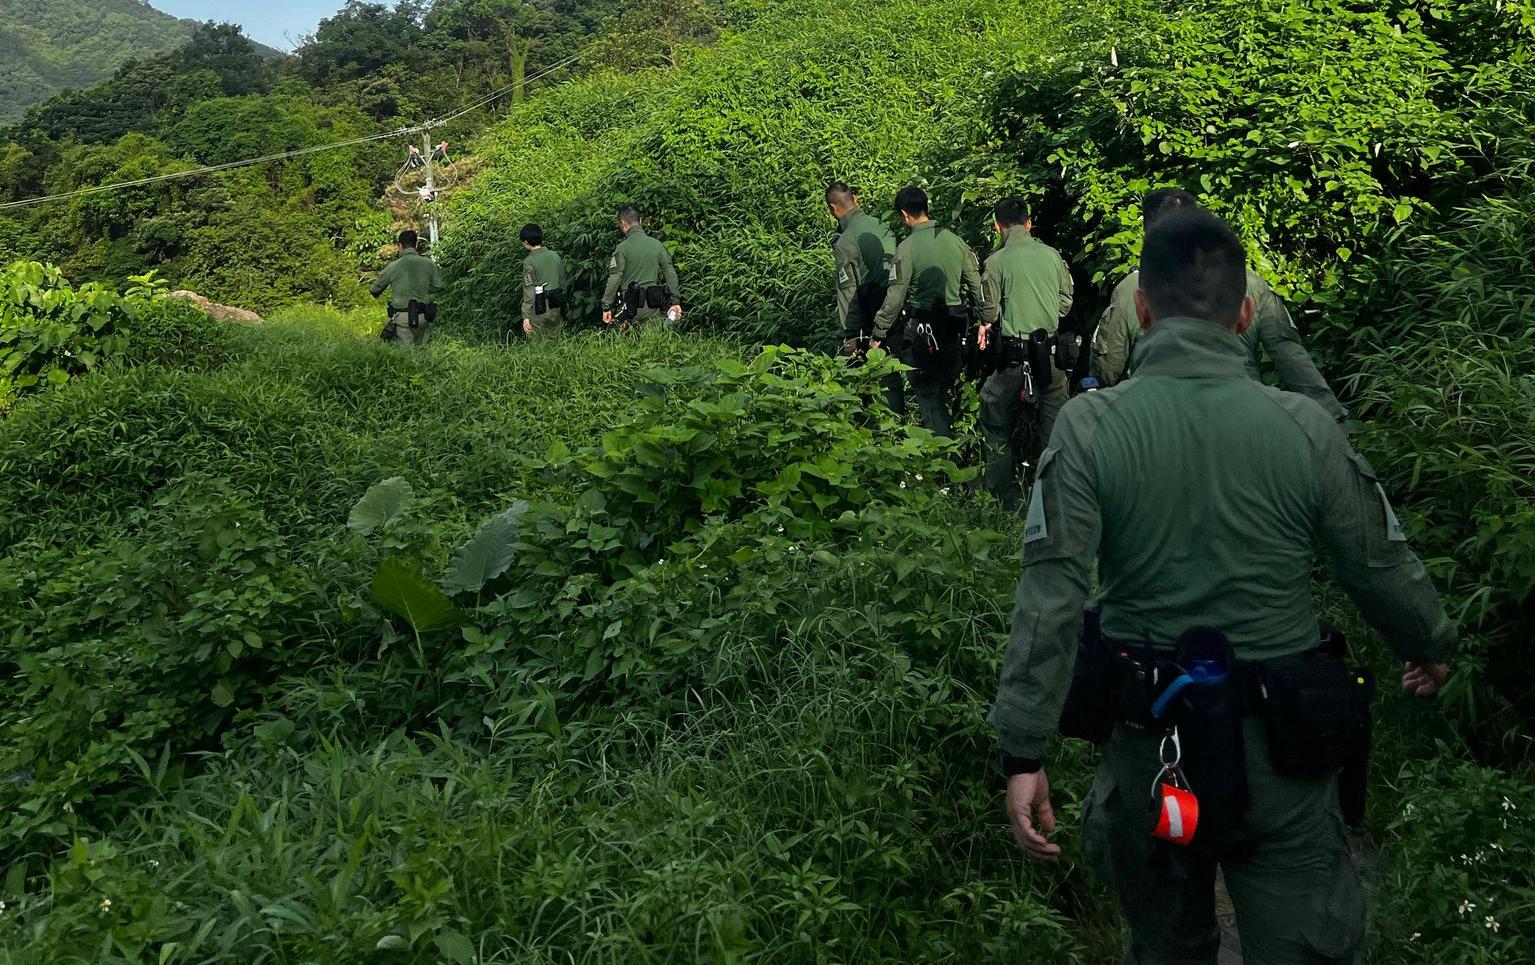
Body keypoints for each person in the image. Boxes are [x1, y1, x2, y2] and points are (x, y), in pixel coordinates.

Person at [991, 208, 1455, 965]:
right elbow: (1378, 562)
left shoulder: (1085, 429)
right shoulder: (1303, 427)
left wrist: (1022, 750)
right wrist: (1430, 645)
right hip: (1287, 756)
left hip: (1151, 757)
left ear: (1141, 309)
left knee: (1166, 943)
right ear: (1244, 311)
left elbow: (1050, 600)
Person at [1090, 189, 1348, 422]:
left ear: (1148, 232)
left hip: (1158, 420)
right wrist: (1331, 414)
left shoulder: (1131, 289)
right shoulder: (1249, 283)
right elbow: (1290, 356)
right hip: (1244, 415)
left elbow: (1108, 368)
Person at [977, 197, 1075, 508]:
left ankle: (1000, 499)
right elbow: (1065, 302)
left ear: (997, 227)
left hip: (1013, 358)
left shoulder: (995, 262)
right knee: (1055, 430)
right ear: (1029, 223)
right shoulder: (1053, 256)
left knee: (995, 422)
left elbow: (989, 312)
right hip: (1051, 356)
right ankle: (1053, 500)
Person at [869, 186, 991, 437]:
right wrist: (985, 321)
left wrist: (878, 332)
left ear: (904, 214)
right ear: (927, 207)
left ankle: (942, 454)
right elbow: (978, 286)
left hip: (923, 329)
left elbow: (895, 297)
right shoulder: (956, 241)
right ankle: (966, 444)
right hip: (957, 327)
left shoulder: (907, 248)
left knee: (927, 392)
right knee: (957, 388)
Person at [825, 181, 896, 356]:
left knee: (878, 368)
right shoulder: (882, 224)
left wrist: (850, 334)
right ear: (855, 198)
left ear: (833, 209)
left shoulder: (845, 242)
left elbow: (848, 292)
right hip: (899, 303)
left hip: (873, 310)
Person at [601, 206, 682, 329]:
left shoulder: (622, 249)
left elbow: (615, 278)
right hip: (653, 306)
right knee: (652, 344)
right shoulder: (657, 245)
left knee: (626, 345)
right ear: (640, 221)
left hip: (629, 307)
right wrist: (675, 301)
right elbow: (670, 272)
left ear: (623, 223)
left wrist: (606, 306)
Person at [370, 229, 443, 347]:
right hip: (424, 317)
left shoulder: (393, 266)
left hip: (403, 318)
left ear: (400, 245)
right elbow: (439, 286)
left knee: (406, 357)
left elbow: (374, 290)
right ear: (416, 244)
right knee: (422, 353)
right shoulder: (429, 263)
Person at [519, 223, 566, 337]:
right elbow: (562, 282)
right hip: (556, 305)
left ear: (526, 241)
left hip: (539, 308)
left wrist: (525, 316)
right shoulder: (555, 256)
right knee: (555, 342)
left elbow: (529, 291)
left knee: (537, 346)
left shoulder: (529, 262)